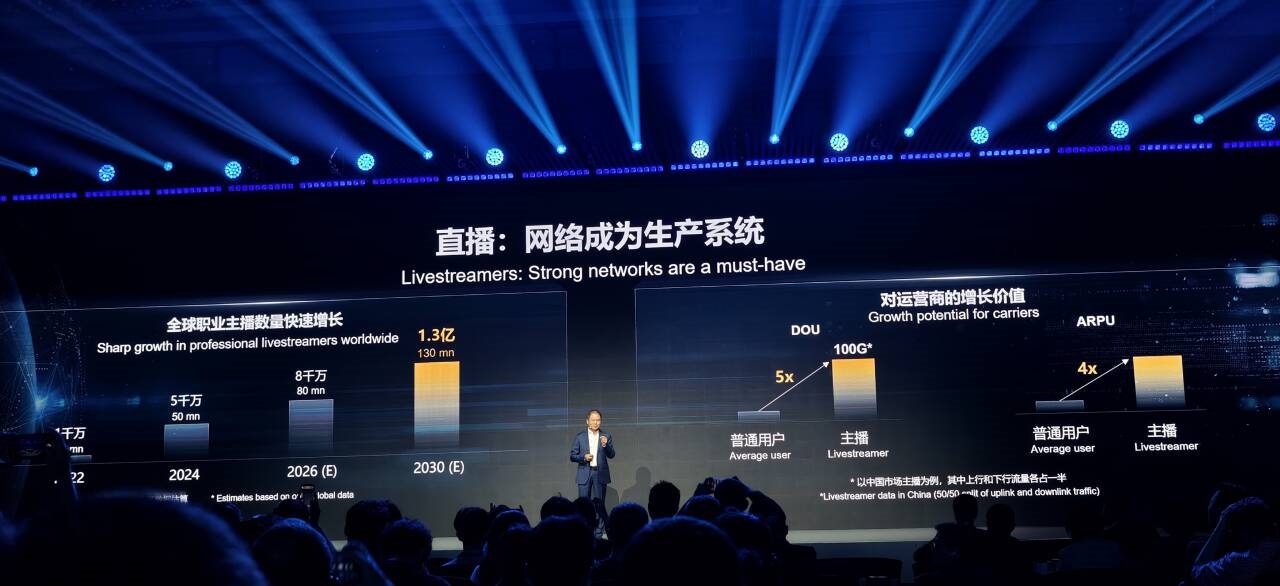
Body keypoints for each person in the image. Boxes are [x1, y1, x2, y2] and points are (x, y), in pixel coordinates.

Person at [570, 409, 615, 535]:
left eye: (598, 420)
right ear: (587, 421)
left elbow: (611, 455)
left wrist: (606, 445)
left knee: (599, 504)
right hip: (585, 472)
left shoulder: (606, 436)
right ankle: (583, 531)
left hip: (600, 473)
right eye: (593, 420)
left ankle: (599, 532)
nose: (596, 423)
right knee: (583, 505)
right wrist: (583, 457)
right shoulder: (580, 437)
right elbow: (572, 456)